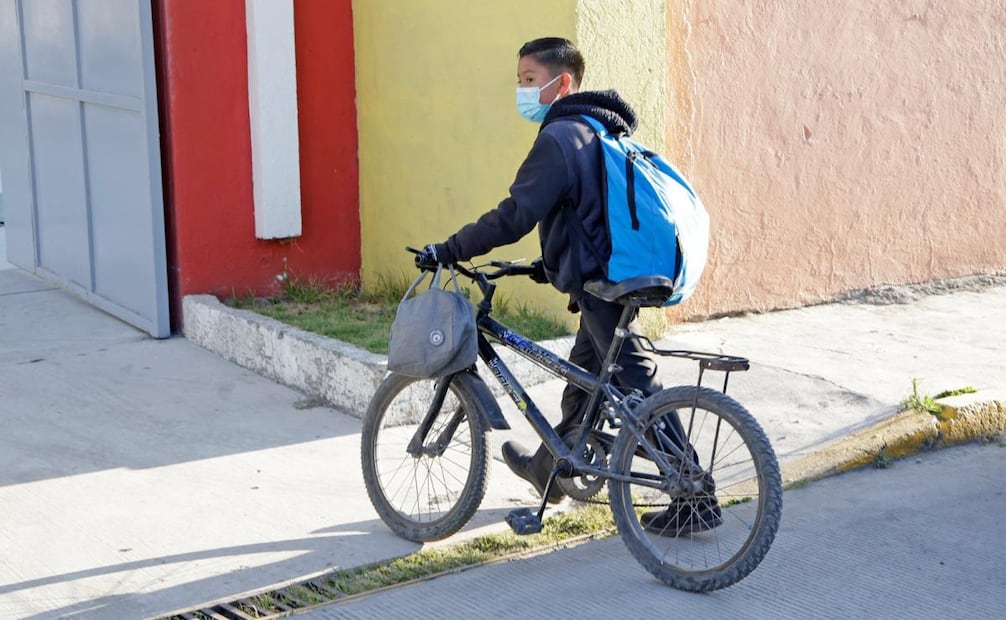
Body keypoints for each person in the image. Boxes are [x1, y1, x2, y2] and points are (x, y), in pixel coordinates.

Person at [415, 37, 719, 537]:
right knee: (585, 379)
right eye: (519, 80)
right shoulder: (597, 130)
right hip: (614, 276)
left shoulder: (559, 137)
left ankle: (693, 493)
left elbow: (516, 214)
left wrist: (450, 248)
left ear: (563, 84)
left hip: (605, 283)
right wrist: (550, 264)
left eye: (530, 80)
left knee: (634, 384)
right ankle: (551, 468)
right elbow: (588, 214)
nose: (522, 90)